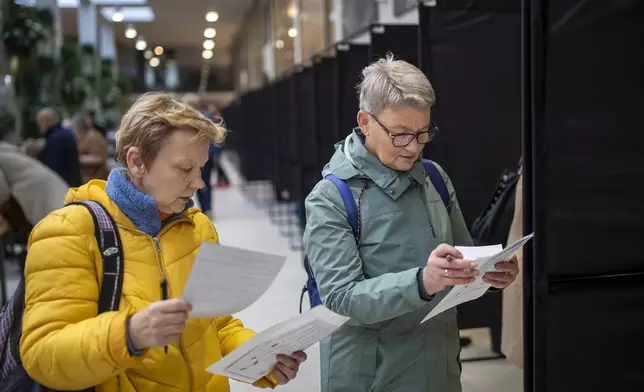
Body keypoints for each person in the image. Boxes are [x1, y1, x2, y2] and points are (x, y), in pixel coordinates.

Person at [19, 93, 306, 392]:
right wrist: (128, 335)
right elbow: (43, 355)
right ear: (137, 161)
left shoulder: (198, 227)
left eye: (201, 168)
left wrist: (262, 358)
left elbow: (214, 325)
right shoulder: (69, 232)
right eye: (185, 169)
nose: (199, 183)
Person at [303, 55, 519, 392]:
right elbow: (341, 298)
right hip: (370, 376)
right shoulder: (331, 198)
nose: (414, 148)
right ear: (365, 122)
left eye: (423, 133)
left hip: (439, 368)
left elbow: (464, 257)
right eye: (401, 134)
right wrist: (422, 281)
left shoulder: (433, 177)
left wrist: (490, 274)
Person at [181, 93, 216, 219]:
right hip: (201, 157)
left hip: (201, 157)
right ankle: (206, 208)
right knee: (202, 183)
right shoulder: (203, 117)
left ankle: (206, 208)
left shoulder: (198, 119)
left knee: (202, 183)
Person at [35, 107, 82, 187]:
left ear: (46, 121)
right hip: (73, 183)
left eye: (40, 122)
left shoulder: (54, 139)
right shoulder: (66, 134)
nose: (39, 126)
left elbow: (53, 166)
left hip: (62, 185)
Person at [71, 113, 109, 183]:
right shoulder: (82, 138)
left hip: (97, 180)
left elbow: (99, 158)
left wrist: (75, 159)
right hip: (87, 180)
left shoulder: (93, 137)